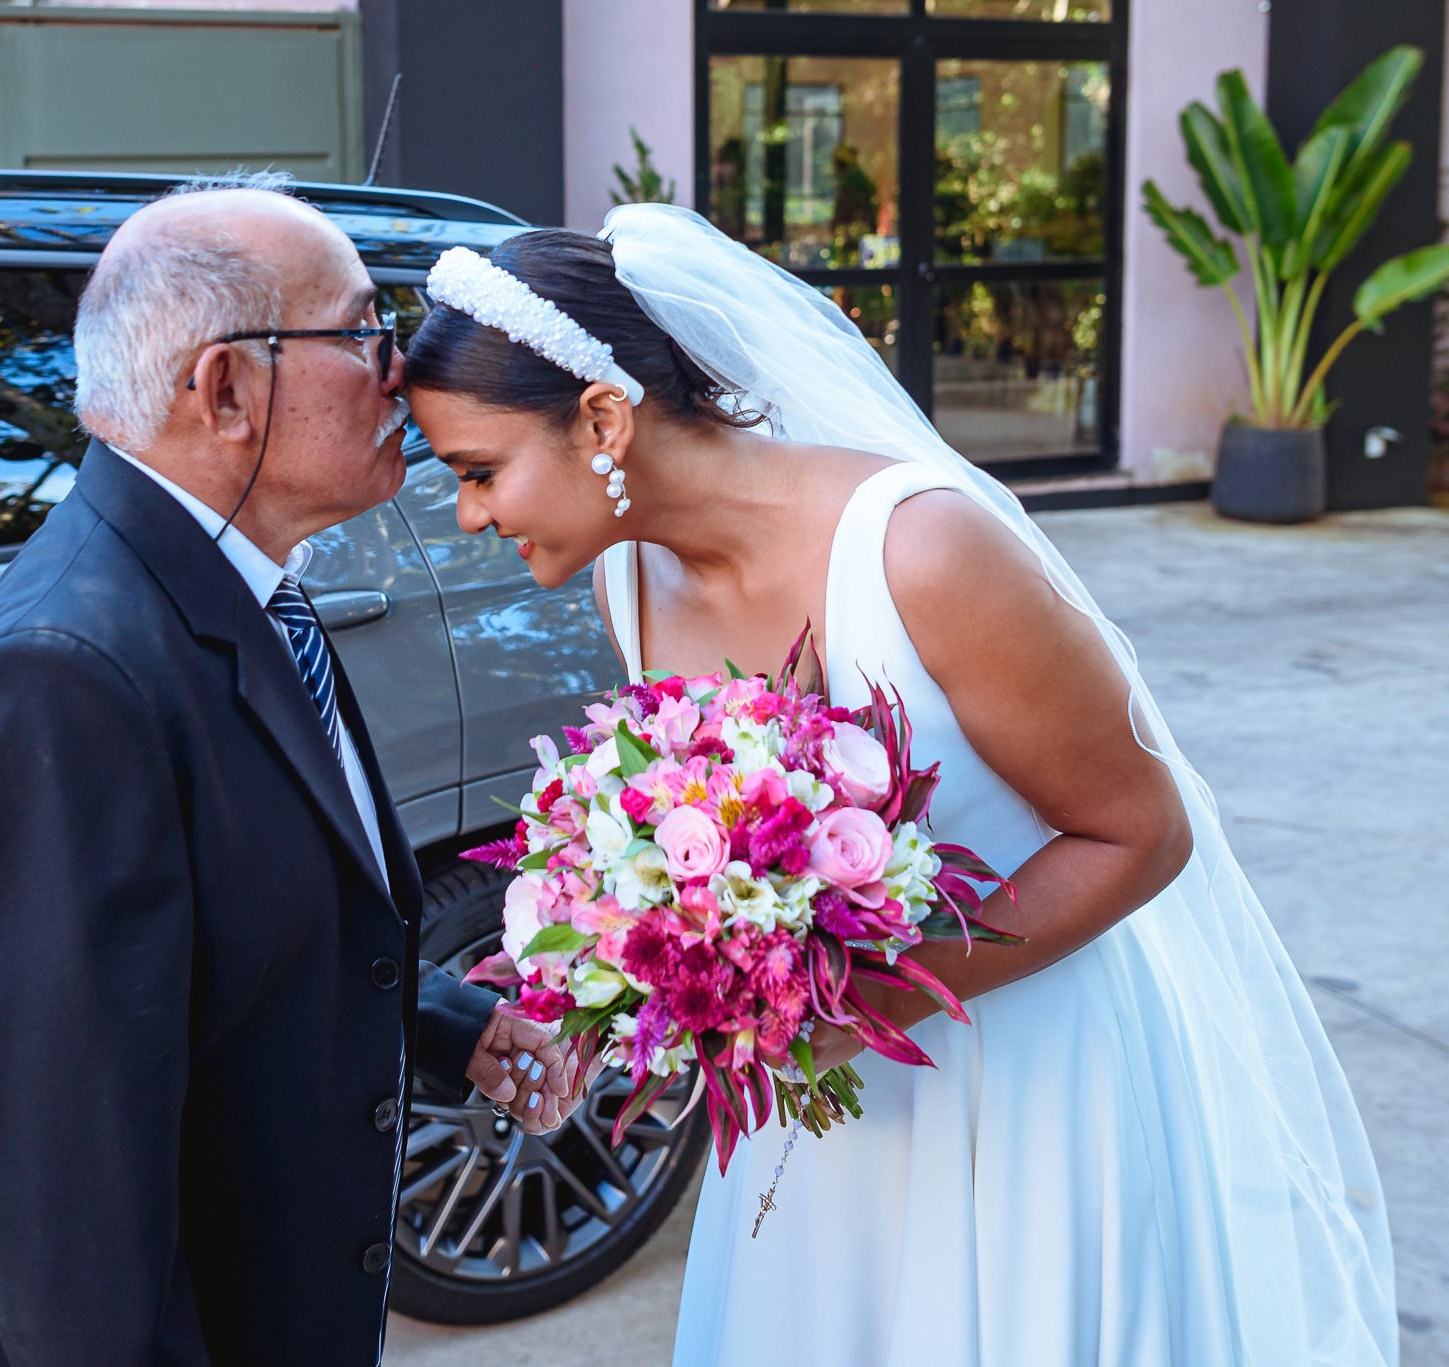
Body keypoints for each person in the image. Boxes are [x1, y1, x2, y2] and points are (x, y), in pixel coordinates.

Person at [400, 203, 1396, 1366]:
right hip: (822, 1120)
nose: (470, 514)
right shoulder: (626, 578)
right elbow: (697, 846)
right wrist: (619, 978)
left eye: (479, 472)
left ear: (602, 417)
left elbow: (1137, 831)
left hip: (1013, 1077)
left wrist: (855, 1004)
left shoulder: (919, 548)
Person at [0, 180, 582, 1367]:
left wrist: (435, 1018)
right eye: (360, 332)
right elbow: (63, 1190)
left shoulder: (229, 579)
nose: (400, 370)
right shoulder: (61, 675)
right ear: (225, 389)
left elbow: (231, 936)